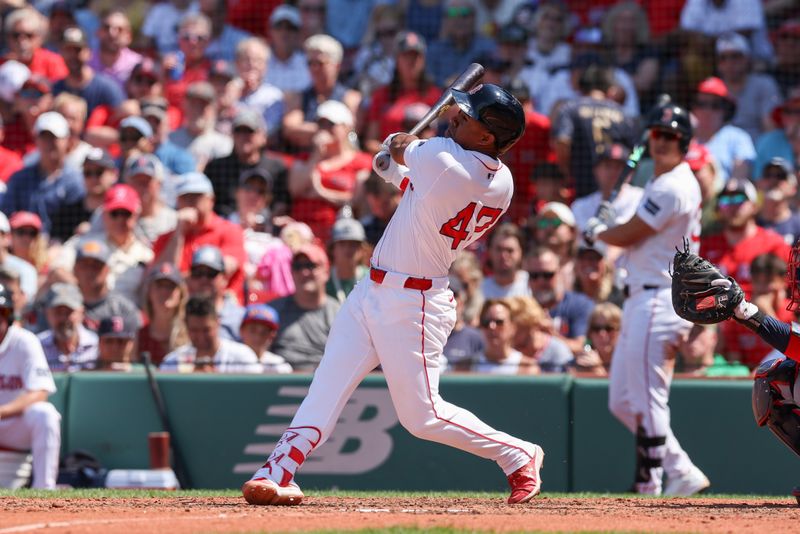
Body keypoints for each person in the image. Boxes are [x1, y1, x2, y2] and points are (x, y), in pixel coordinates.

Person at [241, 84, 544, 507]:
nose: (456, 115)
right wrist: (395, 173)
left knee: (423, 417)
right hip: (373, 289)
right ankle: (278, 469)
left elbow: (405, 145)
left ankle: (517, 453)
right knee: (326, 386)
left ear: (488, 137)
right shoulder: (498, 179)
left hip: (415, 305)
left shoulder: (441, 157)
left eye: (468, 116)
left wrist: (392, 149)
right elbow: (429, 195)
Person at [584, 101, 709, 496]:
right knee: (622, 400)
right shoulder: (662, 179)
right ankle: (681, 468)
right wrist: (604, 229)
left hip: (659, 298)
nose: (660, 141)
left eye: (669, 135)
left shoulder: (675, 184)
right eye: (656, 133)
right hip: (643, 296)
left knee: (647, 396)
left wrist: (598, 232)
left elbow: (631, 233)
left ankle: (650, 482)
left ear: (683, 142)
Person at [152, 172, 247, 304]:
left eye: (197, 197)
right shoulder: (167, 238)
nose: (191, 203)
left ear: (211, 200)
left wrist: (183, 280)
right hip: (179, 310)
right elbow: (162, 279)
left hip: (222, 310)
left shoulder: (230, 231)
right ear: (178, 202)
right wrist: (179, 232)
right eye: (186, 197)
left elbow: (224, 270)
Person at [0, 284, 61, 489]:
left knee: (45, 414)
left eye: (1, 312)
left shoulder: (24, 341)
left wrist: (2, 412)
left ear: (9, 315)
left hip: (16, 424)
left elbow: (40, 391)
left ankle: (44, 488)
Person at [288, 100, 372, 242]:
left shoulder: (361, 161)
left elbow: (356, 200)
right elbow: (295, 189)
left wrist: (321, 193)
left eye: (331, 124)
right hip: (302, 232)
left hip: (339, 234)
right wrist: (316, 156)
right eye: (321, 124)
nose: (324, 129)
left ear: (346, 127)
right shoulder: (306, 160)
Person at [552, 63, 634, 199]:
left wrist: (565, 171)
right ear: (609, 88)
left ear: (581, 86)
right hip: (614, 185)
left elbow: (562, 141)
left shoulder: (570, 108)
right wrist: (627, 174)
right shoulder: (622, 113)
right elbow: (637, 151)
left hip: (582, 181)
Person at [0, 111, 84, 234]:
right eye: (44, 137)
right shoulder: (20, 178)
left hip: (61, 247)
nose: (49, 143)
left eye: (54, 137)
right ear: (36, 139)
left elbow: (75, 224)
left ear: (67, 140)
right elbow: (7, 214)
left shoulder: (76, 180)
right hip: (22, 244)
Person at [268, 244, 339, 371]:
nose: (304, 272)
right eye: (297, 267)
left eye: (310, 266)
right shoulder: (273, 311)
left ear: (326, 272)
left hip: (326, 382)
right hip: (279, 383)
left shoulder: (340, 313)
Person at [160, 295, 262, 373]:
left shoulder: (242, 357)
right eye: (194, 330)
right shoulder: (173, 362)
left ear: (218, 323)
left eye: (206, 330)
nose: (201, 336)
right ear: (186, 326)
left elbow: (255, 395)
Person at [524, 246, 594, 355]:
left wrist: (551, 334)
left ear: (559, 273)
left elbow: (581, 347)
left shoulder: (580, 305)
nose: (541, 281)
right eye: (534, 276)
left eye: (548, 275)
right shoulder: (522, 310)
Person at [49, 147, 118, 243]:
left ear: (114, 174)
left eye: (99, 172)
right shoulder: (67, 213)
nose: (93, 178)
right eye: (88, 173)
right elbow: (55, 244)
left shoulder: (121, 211)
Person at [53, 27, 125, 116]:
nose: (72, 55)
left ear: (88, 52)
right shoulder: (56, 89)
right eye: (68, 50)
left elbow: (121, 117)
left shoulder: (106, 88)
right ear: (61, 53)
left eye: (77, 50)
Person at [38, 282, 98, 371]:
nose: (63, 318)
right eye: (58, 312)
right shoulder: (37, 345)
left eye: (68, 312)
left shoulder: (96, 345)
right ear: (47, 313)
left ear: (81, 312)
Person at [505, 295, 573, 373]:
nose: (509, 331)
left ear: (529, 325)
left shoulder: (558, 351)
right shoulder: (505, 351)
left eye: (515, 326)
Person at [138, 262, 187, 366]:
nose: (164, 291)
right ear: (149, 292)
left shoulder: (190, 334)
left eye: (170, 286)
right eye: (159, 286)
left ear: (181, 294)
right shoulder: (139, 338)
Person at [90, 10, 142, 89]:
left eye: (119, 29)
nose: (112, 33)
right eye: (107, 28)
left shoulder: (137, 64)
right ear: (98, 32)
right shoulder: (85, 61)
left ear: (129, 36)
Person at [675, 323, 750, 377]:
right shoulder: (668, 371)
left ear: (713, 337)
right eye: (684, 332)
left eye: (695, 332)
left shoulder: (736, 374)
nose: (686, 338)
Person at [755, 158, 800, 245]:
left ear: (793, 188)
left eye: (781, 176)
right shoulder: (749, 224)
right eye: (767, 175)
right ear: (759, 184)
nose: (773, 180)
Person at [443, 275, 484, 367]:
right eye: (443, 297)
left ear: (462, 300)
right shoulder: (426, 336)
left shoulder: (476, 338)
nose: (449, 301)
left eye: (454, 296)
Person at [572, 302, 623, 376]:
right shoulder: (580, 361)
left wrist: (597, 369)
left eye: (609, 328)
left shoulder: (628, 362)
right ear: (590, 333)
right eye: (596, 328)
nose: (602, 334)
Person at [480, 223, 529, 299]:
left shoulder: (532, 285)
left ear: (521, 252)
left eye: (510, 250)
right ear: (489, 251)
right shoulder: (480, 290)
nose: (503, 256)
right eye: (498, 249)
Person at [239, 304, 292, 373]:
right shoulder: (228, 360)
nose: (257, 336)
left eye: (265, 332)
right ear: (242, 330)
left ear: (273, 335)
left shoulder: (280, 365)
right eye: (252, 330)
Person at [326, 217, 368, 304]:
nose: (347, 249)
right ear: (332, 249)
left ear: (362, 249)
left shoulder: (370, 278)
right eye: (342, 244)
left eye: (353, 244)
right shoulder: (324, 279)